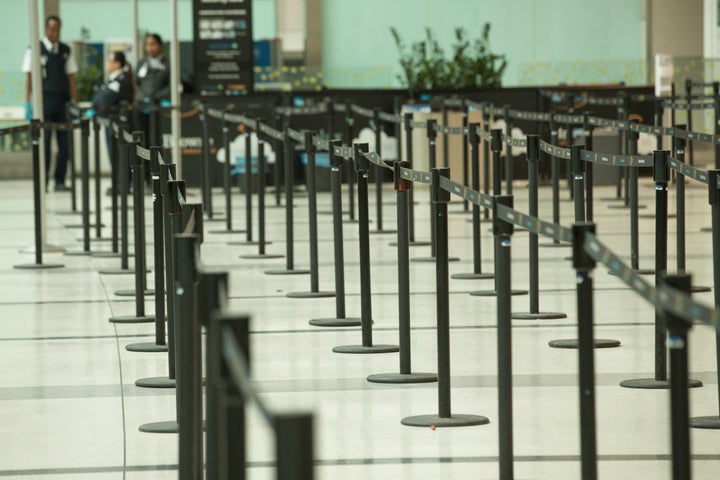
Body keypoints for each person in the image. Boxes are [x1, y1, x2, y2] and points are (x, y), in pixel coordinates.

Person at [22, 15, 79, 192]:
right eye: (51, 29)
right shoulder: (35, 49)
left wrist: (74, 102)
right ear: (46, 29)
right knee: (44, 142)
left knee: (64, 143)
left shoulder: (65, 50)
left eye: (57, 30)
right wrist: (28, 102)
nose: (54, 33)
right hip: (44, 100)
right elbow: (30, 77)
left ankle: (60, 180)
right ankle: (43, 180)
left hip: (62, 101)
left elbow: (71, 78)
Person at [92, 51, 134, 195]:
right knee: (113, 154)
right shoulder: (112, 80)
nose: (107, 64)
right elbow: (97, 98)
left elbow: (103, 100)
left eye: (110, 61)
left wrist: (97, 100)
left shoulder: (119, 80)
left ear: (117, 64)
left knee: (119, 154)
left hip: (118, 123)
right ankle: (118, 183)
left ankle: (123, 185)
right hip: (111, 122)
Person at [135, 33, 170, 147]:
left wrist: (157, 96)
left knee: (156, 138)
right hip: (142, 106)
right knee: (141, 137)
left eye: (153, 44)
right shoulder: (142, 63)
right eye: (147, 45)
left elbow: (172, 85)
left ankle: (156, 162)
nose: (150, 47)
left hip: (158, 106)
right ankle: (143, 164)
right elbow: (135, 83)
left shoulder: (167, 64)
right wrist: (142, 97)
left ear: (160, 46)